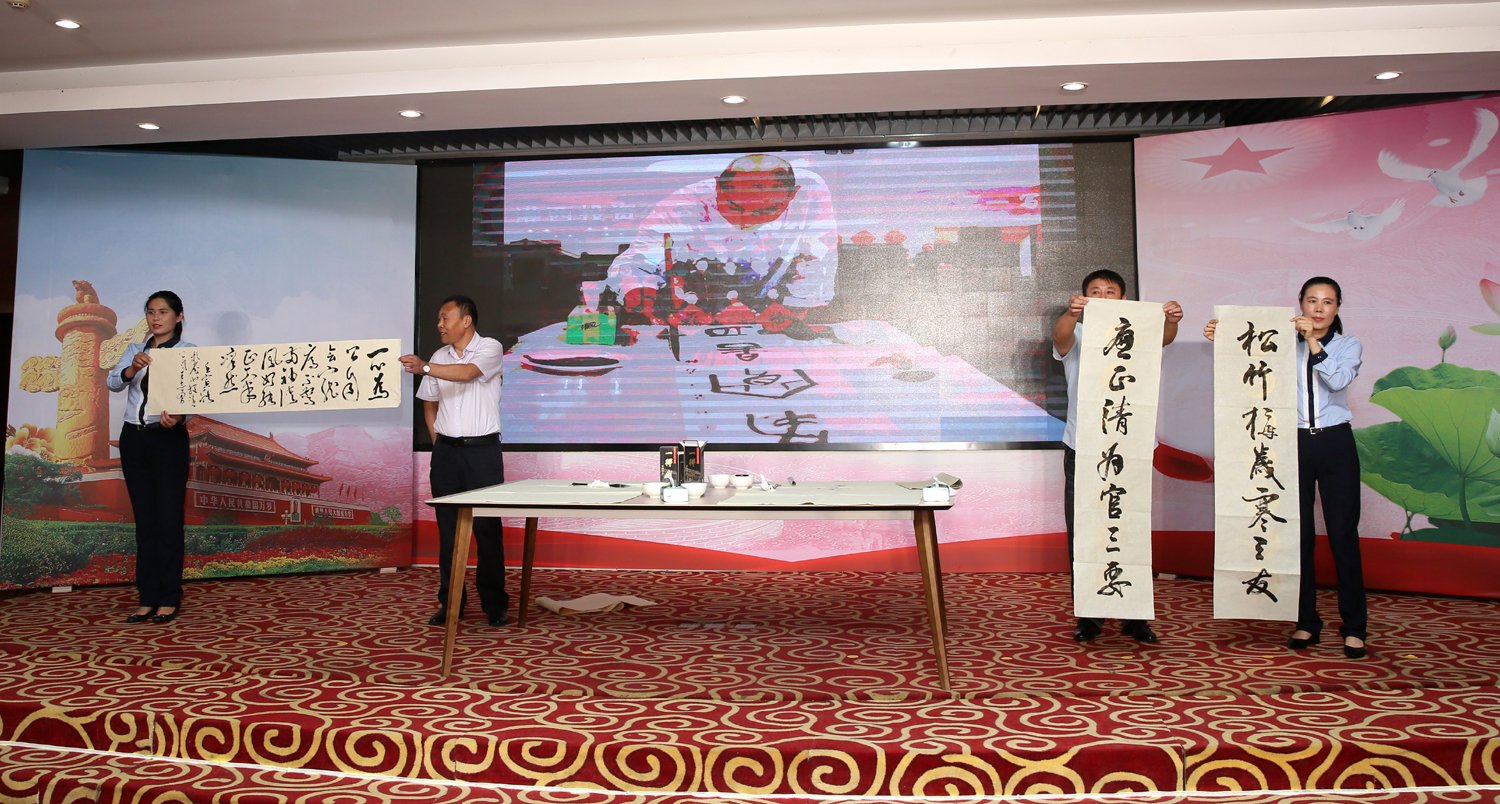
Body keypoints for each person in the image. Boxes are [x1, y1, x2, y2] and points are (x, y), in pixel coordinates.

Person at [1205, 277, 1366, 659]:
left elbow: (1338, 379)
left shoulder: (1348, 344)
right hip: (1292, 444)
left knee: (1343, 535)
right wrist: (1222, 339)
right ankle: (1306, 621)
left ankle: (1355, 627)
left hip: (1335, 442)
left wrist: (1312, 341)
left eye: (1327, 302)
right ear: (1301, 303)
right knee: (1299, 536)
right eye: (1312, 300)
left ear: (1337, 308)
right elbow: (1247, 371)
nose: (1319, 308)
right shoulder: (1279, 344)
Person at [1052, 269, 1183, 643]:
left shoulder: (1136, 332)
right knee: (1084, 532)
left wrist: (1171, 320)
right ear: (1084, 299)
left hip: (1131, 448)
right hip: (1084, 446)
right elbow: (1059, 337)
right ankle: (1089, 615)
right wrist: (1072, 314)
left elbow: (1164, 337)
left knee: (1132, 529)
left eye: (1110, 291)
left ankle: (1135, 615)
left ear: (1124, 300)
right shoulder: (1077, 332)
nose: (1103, 297)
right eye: (1094, 291)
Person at [595, 154, 838, 324]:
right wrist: (645, 297)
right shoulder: (682, 205)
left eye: (765, 211)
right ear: (717, 188)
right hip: (693, 312)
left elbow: (817, 258)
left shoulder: (810, 194)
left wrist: (796, 309)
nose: (746, 222)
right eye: (734, 208)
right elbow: (639, 260)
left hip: (771, 313)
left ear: (791, 196)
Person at [399, 295, 509, 628]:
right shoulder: (438, 356)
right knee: (448, 531)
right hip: (446, 453)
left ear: (466, 320)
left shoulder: (490, 348)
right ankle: (451, 604)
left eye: (445, 318)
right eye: (439, 319)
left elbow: (467, 374)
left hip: (482, 452)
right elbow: (429, 403)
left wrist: (424, 367)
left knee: (487, 530)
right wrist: (439, 443)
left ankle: (494, 605)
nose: (440, 325)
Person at [106, 291, 194, 625]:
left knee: (168, 519)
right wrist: (131, 369)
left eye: (163, 312)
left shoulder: (188, 352)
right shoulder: (134, 350)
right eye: (151, 312)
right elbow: (113, 382)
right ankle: (147, 598)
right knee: (145, 521)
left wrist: (181, 418)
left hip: (168, 440)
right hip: (134, 439)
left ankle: (169, 598)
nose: (156, 318)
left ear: (178, 316)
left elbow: (196, 396)